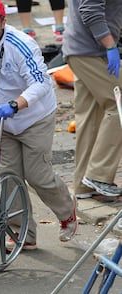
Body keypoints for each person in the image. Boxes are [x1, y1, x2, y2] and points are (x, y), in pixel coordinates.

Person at [0, 0, 78, 250]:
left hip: (34, 115)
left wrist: (15, 105)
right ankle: (23, 233)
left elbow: (43, 84)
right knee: (8, 177)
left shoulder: (21, 44)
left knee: (38, 175)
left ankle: (67, 212)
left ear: (3, 23)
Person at [62, 0, 122, 198]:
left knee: (91, 117)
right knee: (118, 104)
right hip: (91, 51)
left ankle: (83, 184)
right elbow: (90, 10)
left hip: (82, 49)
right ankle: (99, 175)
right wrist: (110, 45)